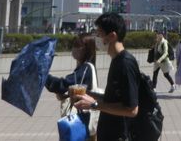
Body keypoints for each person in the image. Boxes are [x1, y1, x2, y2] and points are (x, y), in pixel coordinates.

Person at [73, 12, 140, 141]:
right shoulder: (116, 60)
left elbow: (132, 109)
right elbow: (113, 99)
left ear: (112, 36)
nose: (96, 38)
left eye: (99, 34)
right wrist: (87, 94)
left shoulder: (125, 63)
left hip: (119, 135)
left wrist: (94, 105)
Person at [45, 34, 98, 140]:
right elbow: (70, 88)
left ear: (85, 50)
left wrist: (43, 76)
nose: (74, 48)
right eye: (73, 45)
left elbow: (63, 84)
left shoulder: (86, 68)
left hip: (82, 124)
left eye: (77, 46)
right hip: (83, 125)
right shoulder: (82, 68)